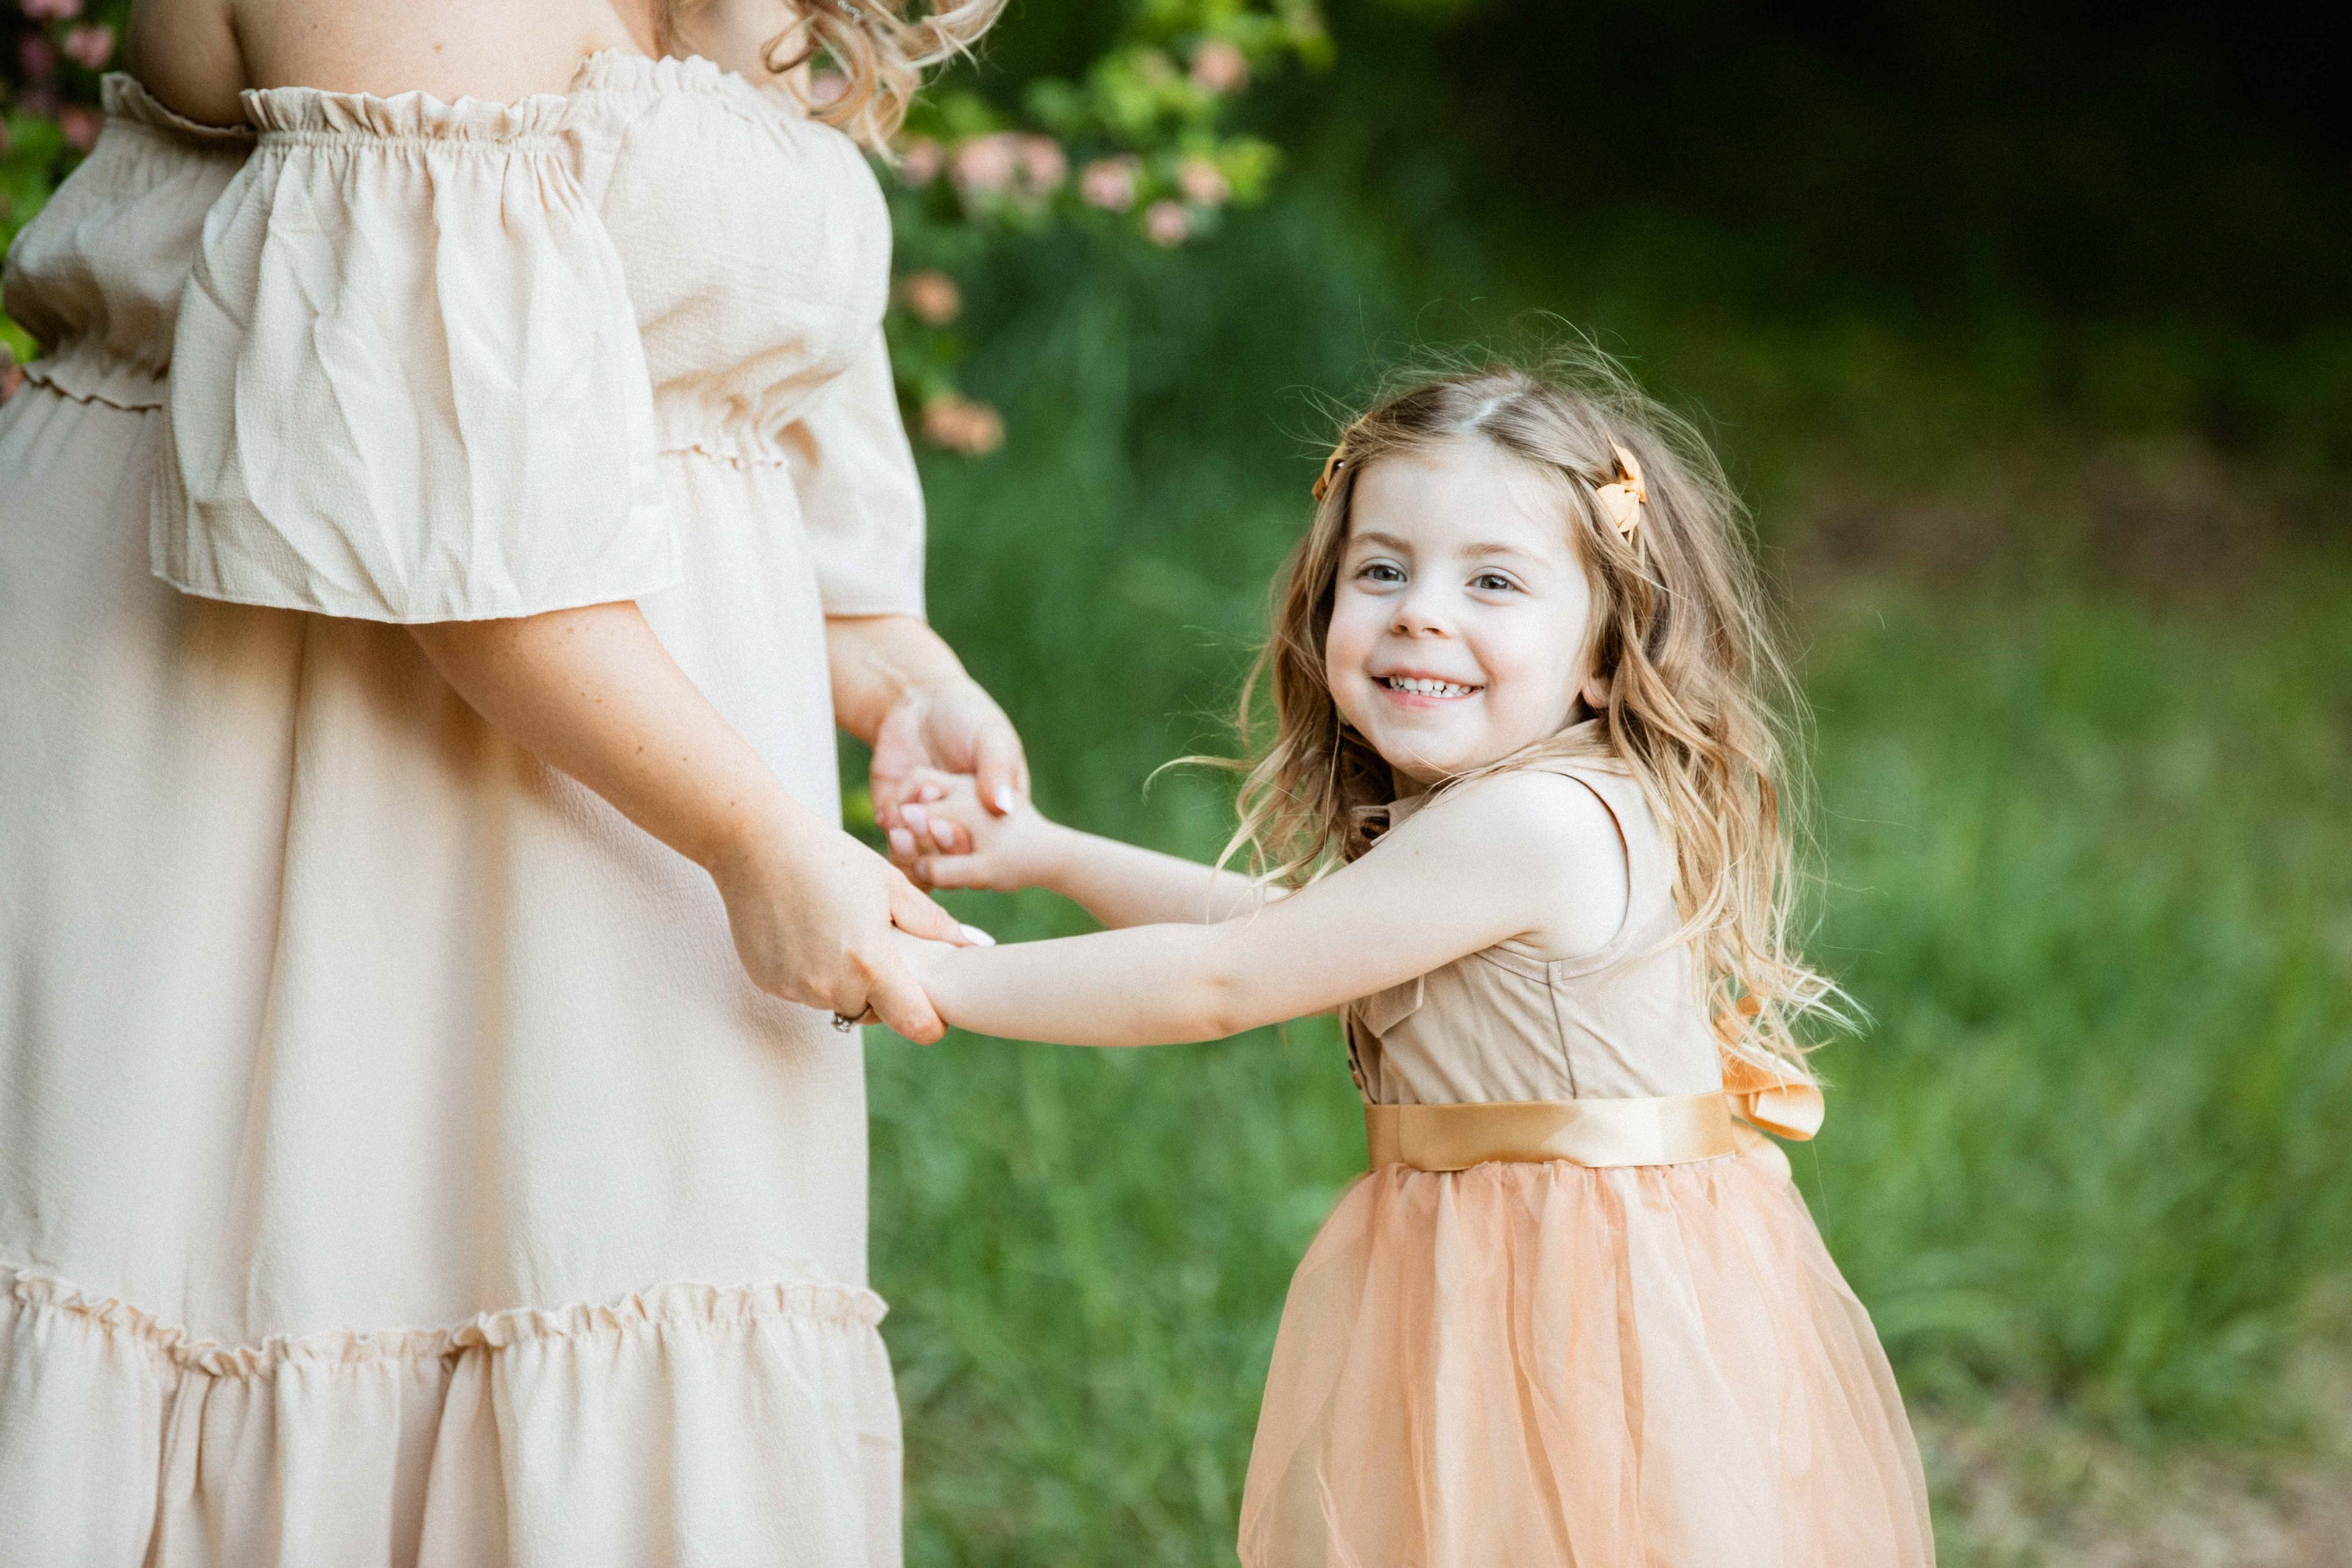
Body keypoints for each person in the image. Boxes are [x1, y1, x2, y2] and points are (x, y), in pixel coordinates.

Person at [0, 1, 1017, 1562]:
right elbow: (441, 517)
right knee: (301, 1271)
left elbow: (732, 356)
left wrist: (893, 664)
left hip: (623, 783)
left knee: (602, 1276)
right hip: (294, 757)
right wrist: (750, 835)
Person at [884, 361, 1937, 1565]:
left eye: (1493, 580)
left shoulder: (1529, 824)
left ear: (1604, 648)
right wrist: (1049, 853)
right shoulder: (1537, 805)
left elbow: (1224, 981)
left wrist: (928, 975)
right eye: (1381, 569)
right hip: (1545, 1268)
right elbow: (1289, 933)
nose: (1422, 611)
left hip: (1568, 1300)